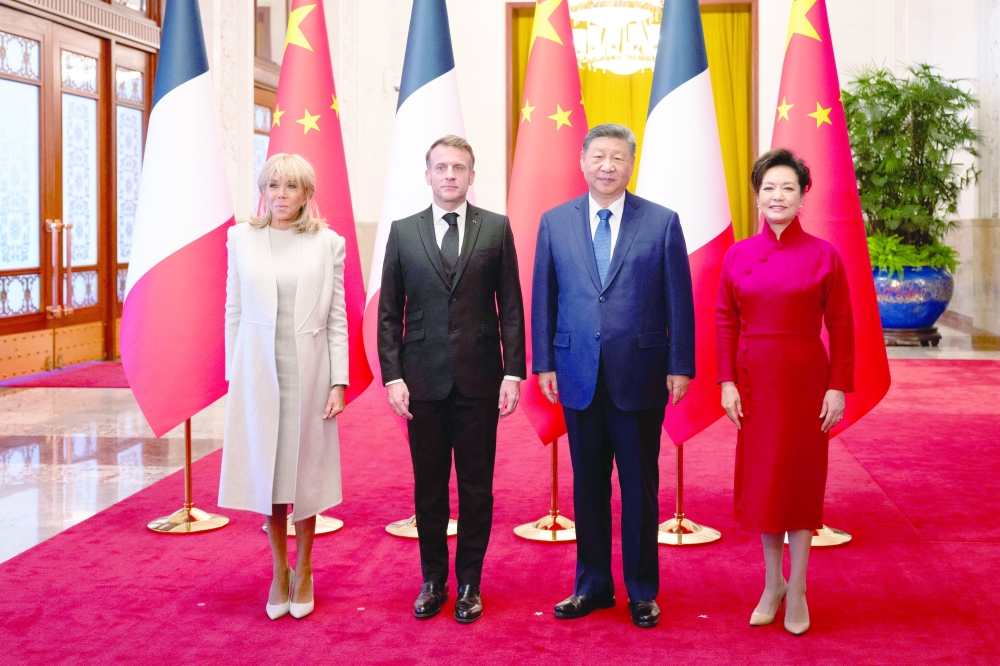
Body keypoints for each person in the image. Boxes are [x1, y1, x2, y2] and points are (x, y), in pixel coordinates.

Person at [532, 123, 695, 629]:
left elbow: (679, 300)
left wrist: (680, 365)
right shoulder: (555, 222)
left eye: (618, 158)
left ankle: (642, 591)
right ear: (582, 162)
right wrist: (543, 362)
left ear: (630, 165)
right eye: (599, 156)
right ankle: (593, 585)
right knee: (588, 487)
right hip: (577, 371)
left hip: (642, 374)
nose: (607, 165)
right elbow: (544, 296)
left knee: (640, 487)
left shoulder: (662, 222)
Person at [377, 135, 526, 624]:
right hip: (422, 381)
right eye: (441, 167)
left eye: (459, 167)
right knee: (430, 488)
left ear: (471, 175)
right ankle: (433, 580)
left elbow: (511, 307)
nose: (449, 175)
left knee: (477, 488)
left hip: (481, 378)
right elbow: (387, 314)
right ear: (427, 175)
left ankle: (469, 584)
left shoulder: (497, 230)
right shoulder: (403, 232)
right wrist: (393, 377)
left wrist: (512, 372)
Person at [716, 148, 855, 636]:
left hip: (805, 384)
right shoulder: (737, 254)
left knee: (797, 483)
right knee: (764, 487)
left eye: (788, 188)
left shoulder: (824, 255)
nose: (777, 196)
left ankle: (797, 589)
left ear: (802, 197)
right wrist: (726, 382)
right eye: (769, 188)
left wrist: (838, 386)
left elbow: (841, 326)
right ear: (757, 197)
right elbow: (724, 320)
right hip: (754, 383)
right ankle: (771, 584)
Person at [219, 153, 349, 621]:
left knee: (305, 474)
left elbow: (337, 318)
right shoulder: (241, 239)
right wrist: (236, 378)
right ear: (263, 190)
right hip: (259, 371)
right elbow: (233, 309)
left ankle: (306, 568)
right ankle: (278, 570)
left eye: (290, 187)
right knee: (271, 476)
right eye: (272, 185)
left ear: (306, 195)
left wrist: (339, 381)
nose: (280, 195)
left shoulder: (328, 244)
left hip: (309, 373)